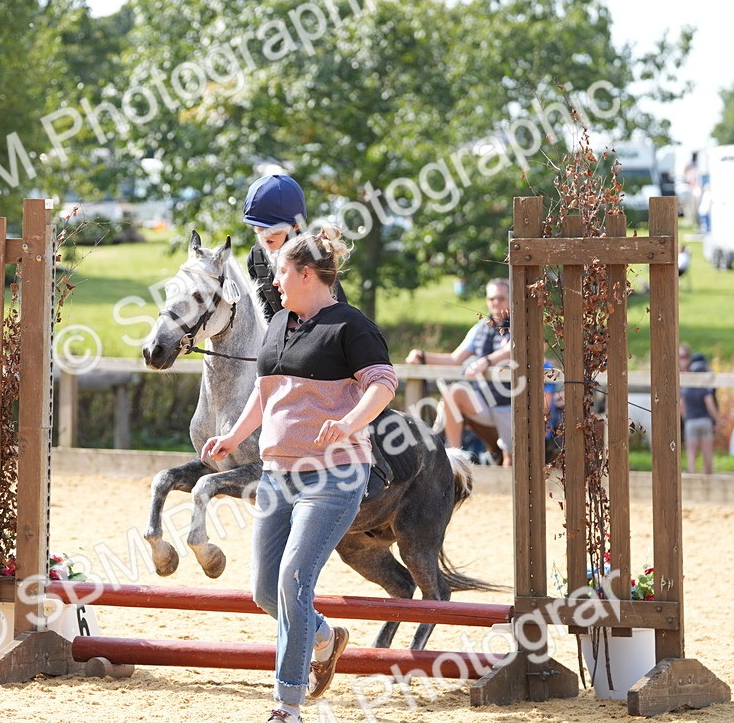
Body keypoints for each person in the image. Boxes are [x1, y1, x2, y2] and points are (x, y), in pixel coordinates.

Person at [200, 227, 394, 723]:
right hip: (277, 476)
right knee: (266, 590)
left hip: (334, 476)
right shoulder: (279, 322)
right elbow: (264, 392)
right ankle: (325, 638)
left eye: (282, 272)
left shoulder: (351, 325)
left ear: (307, 274)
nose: (275, 281)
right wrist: (232, 435)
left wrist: (350, 422)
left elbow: (383, 383)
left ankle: (287, 704)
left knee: (294, 579)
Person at [405, 278, 513, 465]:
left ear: (511, 298)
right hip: (485, 401)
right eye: (491, 299)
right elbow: (455, 359)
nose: (495, 303)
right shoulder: (480, 328)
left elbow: (515, 348)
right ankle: (455, 460)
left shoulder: (521, 325)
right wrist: (422, 356)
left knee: (510, 462)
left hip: (512, 403)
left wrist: (486, 361)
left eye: (501, 298)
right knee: (452, 393)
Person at [243, 174, 344, 322]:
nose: (266, 235)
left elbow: (337, 303)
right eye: (260, 228)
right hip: (280, 330)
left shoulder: (312, 252)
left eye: (275, 230)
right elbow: (264, 311)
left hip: (323, 326)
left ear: (295, 225)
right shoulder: (254, 257)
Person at [679, 355, 719, 474]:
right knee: (707, 451)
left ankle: (692, 474)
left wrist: (686, 418)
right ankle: (708, 475)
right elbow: (710, 405)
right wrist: (717, 420)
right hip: (704, 421)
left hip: (691, 422)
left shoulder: (685, 389)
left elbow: (681, 406)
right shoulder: (705, 389)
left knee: (691, 452)